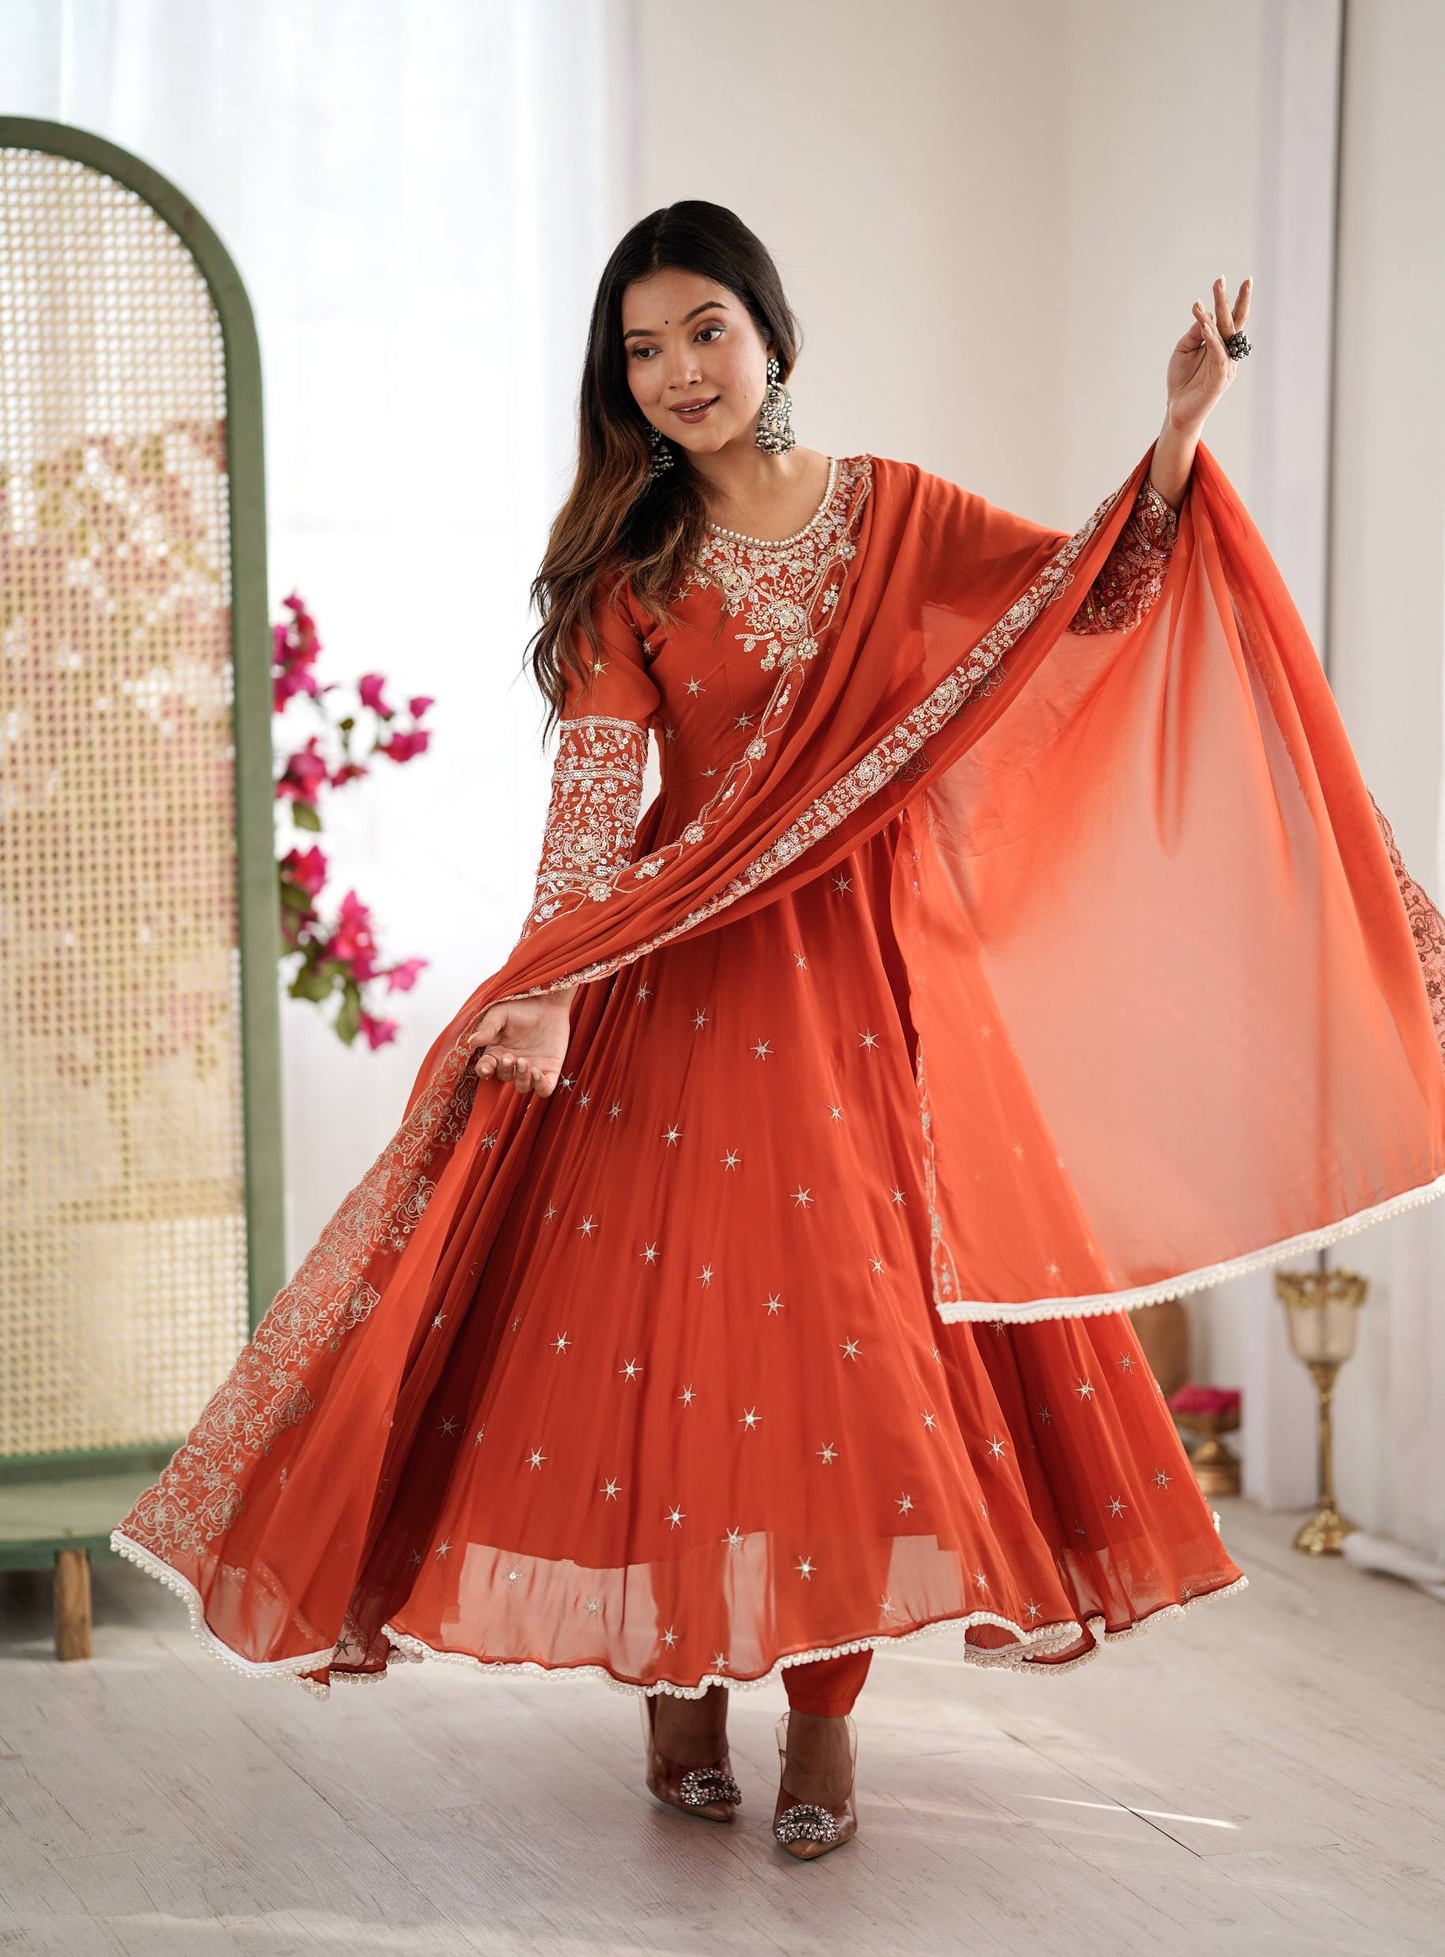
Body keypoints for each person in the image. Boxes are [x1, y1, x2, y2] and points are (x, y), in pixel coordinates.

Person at [112, 203, 1445, 1865]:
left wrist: (1171, 434)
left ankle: (824, 1731)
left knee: (849, 1370)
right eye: (643, 350)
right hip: (679, 994)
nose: (676, 372)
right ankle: (683, 1693)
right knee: (674, 1362)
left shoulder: (902, 513)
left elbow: (1082, 606)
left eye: (704, 332)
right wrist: (547, 986)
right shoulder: (630, 574)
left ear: (772, 334)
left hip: (865, 1001)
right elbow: (595, 811)